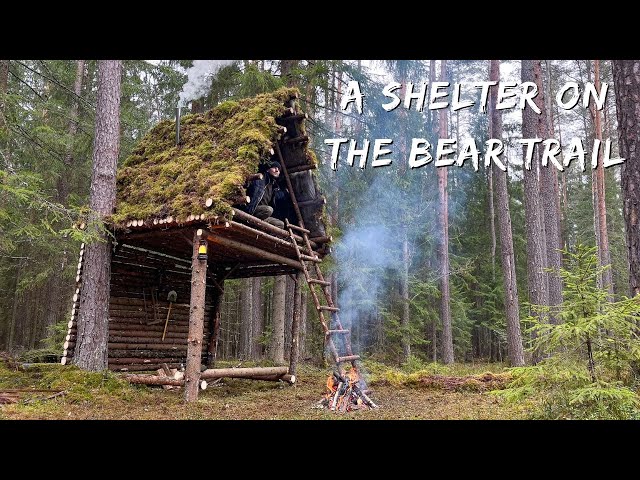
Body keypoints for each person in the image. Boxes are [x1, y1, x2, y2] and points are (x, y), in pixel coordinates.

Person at [243, 160, 291, 229]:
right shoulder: (259, 179)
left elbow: (279, 196)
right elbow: (247, 185)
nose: (277, 170)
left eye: (279, 169)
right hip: (252, 210)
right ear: (268, 169)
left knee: (280, 224)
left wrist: (286, 192)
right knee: (268, 210)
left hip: (263, 215)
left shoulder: (274, 187)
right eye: (274, 167)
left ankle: (259, 232)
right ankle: (250, 222)